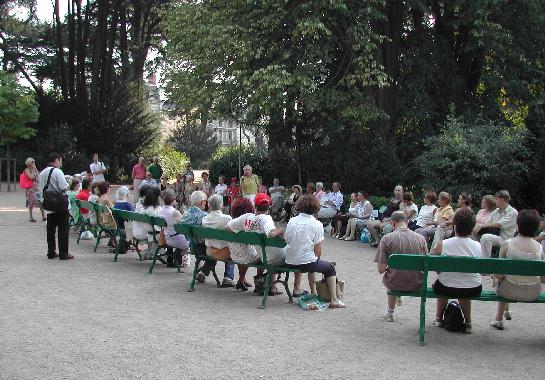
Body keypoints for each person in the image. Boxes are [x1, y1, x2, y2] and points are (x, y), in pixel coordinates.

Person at [226, 194, 305, 295]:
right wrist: (281, 230)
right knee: (299, 253)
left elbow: (227, 228)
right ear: (269, 207)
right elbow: (271, 234)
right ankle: (296, 288)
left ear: (255, 205)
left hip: (264, 258)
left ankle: (272, 286)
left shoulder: (246, 218)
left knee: (269, 251)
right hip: (276, 259)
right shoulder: (266, 218)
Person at [285, 195, 345, 308]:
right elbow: (318, 251)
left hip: (289, 260)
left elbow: (288, 240)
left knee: (310, 260)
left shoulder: (292, 221)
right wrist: (315, 260)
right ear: (316, 208)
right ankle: (334, 300)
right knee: (329, 267)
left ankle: (314, 292)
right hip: (306, 262)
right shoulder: (317, 224)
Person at [490, 210, 544, 330]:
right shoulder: (540, 248)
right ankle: (505, 312)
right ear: (536, 228)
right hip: (532, 293)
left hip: (508, 291)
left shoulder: (507, 244)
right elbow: (543, 278)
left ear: (517, 225)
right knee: (508, 278)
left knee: (504, 279)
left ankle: (498, 319)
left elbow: (499, 275)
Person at [432, 207, 482, 333]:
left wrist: (442, 273)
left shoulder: (443, 244)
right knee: (464, 285)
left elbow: (433, 263)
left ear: (454, 225)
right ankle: (468, 323)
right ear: (472, 227)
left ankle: (438, 318)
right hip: (473, 288)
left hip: (446, 287)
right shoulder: (477, 246)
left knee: (442, 282)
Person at [375, 211, 427, 321]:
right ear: (407, 222)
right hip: (416, 283)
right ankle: (396, 300)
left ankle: (390, 313)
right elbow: (425, 264)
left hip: (395, 282)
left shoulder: (387, 238)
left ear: (392, 223)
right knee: (399, 273)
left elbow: (381, 270)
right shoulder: (421, 238)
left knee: (393, 274)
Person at [39, 152, 73, 260]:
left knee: (51, 229)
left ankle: (51, 251)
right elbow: (64, 188)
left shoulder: (43, 172)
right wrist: (70, 183)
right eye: (61, 161)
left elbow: (40, 189)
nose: (61, 164)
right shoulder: (57, 171)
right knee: (63, 229)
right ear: (57, 160)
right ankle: (64, 253)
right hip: (60, 204)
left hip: (49, 203)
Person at [201, 194, 236, 286]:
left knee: (215, 245)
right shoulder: (227, 218)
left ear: (209, 205)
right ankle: (228, 277)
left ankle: (203, 272)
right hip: (224, 252)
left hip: (209, 251)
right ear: (221, 205)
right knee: (233, 250)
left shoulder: (204, 219)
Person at [476, 190, 518, 258]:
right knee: (474, 231)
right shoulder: (496, 211)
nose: (495, 201)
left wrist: (482, 225)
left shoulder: (513, 212)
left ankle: (485, 261)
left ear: (502, 199)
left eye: (496, 199)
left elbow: (499, 224)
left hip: (505, 239)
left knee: (486, 237)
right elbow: (487, 222)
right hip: (495, 235)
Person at [159, 190, 191, 268]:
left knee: (171, 231)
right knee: (187, 239)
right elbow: (184, 225)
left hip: (165, 238)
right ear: (174, 200)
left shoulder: (160, 210)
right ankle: (178, 261)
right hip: (175, 239)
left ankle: (170, 260)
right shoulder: (174, 212)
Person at [23, 157, 45, 222]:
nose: (34, 163)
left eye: (34, 162)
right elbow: (31, 177)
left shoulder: (35, 169)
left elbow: (38, 177)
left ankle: (43, 216)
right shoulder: (27, 170)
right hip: (30, 189)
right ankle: (31, 217)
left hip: (37, 188)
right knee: (31, 203)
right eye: (32, 162)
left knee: (41, 201)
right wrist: (33, 170)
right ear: (29, 163)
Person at [96, 181, 117, 247]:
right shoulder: (106, 199)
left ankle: (112, 240)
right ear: (107, 188)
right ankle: (113, 240)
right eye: (109, 187)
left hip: (103, 220)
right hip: (110, 223)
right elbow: (113, 210)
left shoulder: (100, 198)